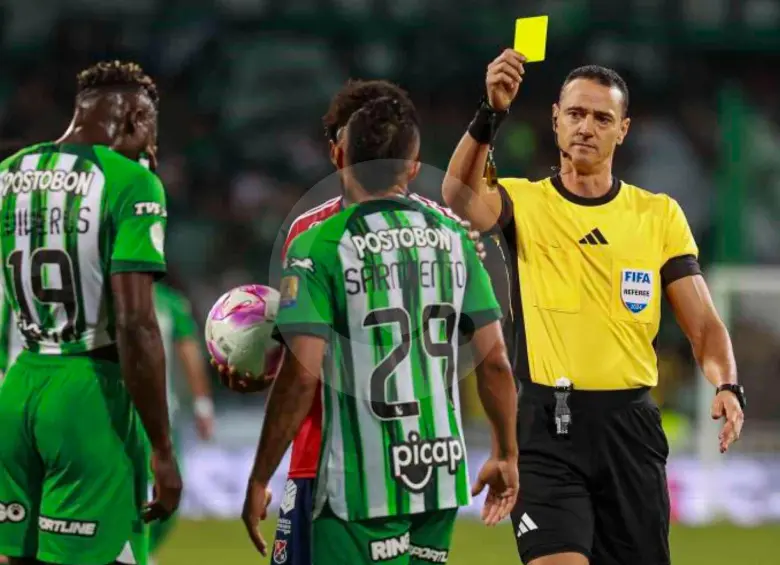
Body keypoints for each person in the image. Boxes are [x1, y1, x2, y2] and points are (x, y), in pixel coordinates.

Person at [442, 51, 746, 565]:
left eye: (602, 118)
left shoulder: (657, 215)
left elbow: (703, 324)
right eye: (576, 114)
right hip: (545, 427)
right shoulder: (523, 202)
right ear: (556, 119)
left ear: (623, 130)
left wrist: (727, 384)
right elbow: (457, 195)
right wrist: (490, 112)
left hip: (630, 431)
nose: (586, 127)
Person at [213, 78, 488, 565]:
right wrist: (261, 367)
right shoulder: (447, 230)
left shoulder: (314, 235)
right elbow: (307, 350)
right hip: (411, 457)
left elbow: (306, 367)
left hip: (339, 462)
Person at [0, 61, 182, 565]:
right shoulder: (130, 183)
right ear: (136, 120)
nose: (153, 146)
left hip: (19, 384)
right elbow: (136, 324)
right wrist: (163, 449)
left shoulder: (8, 173)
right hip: (90, 391)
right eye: (152, 131)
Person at [148, 281, 215, 564]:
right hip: (119, 414)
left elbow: (189, 351)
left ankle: (144, 551)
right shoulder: (104, 296)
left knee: (170, 491)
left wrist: (202, 404)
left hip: (161, 415)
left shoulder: (169, 302)